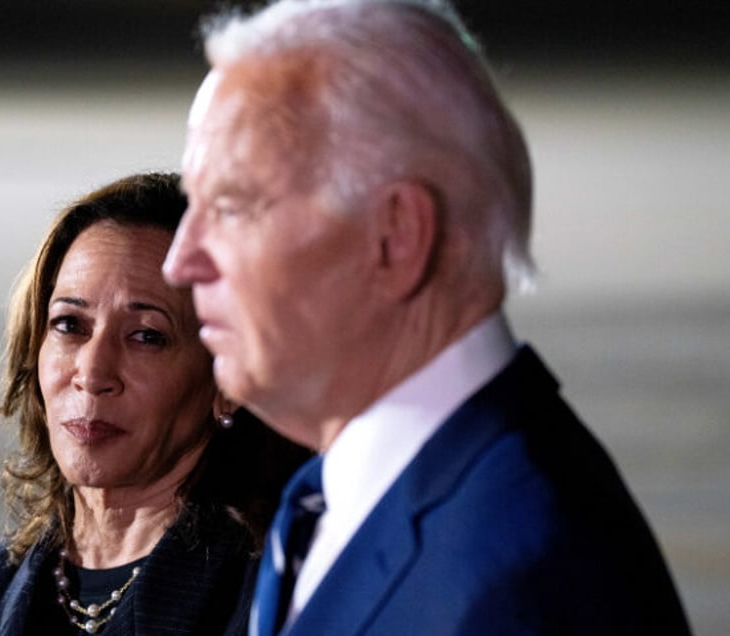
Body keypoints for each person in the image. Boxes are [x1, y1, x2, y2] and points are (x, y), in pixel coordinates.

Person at [162, 1, 692, 634]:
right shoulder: (344, 487)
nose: (180, 261)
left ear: (396, 237)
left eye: (232, 206)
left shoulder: (518, 589)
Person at [0, 173, 308, 635]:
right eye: (69, 325)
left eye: (147, 336)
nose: (92, 374)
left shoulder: (280, 597)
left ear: (226, 379)